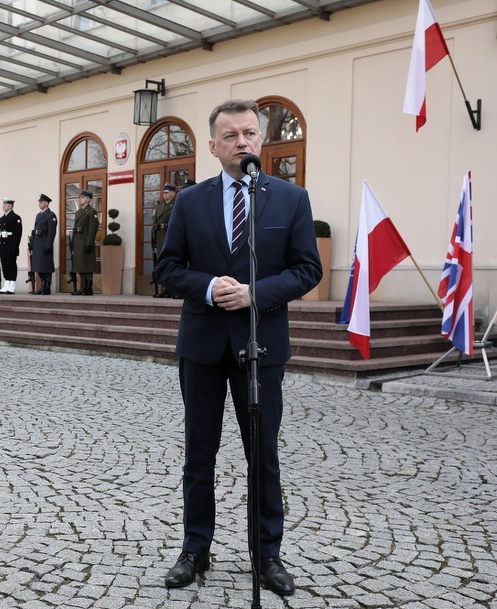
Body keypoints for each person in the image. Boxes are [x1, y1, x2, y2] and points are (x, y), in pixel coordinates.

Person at [155, 100, 321, 598]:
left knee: (262, 455)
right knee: (198, 454)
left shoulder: (291, 199)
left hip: (261, 346)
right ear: (213, 146)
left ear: (261, 140)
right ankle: (195, 549)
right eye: (230, 136)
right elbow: (167, 269)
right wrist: (209, 288)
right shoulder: (189, 201)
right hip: (202, 344)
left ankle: (267, 555)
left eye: (249, 133)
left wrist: (254, 293)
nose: (242, 142)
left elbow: (307, 270)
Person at [150, 184, 177, 298]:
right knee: (163, 264)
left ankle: (174, 289)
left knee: (172, 263)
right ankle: (165, 289)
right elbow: (154, 224)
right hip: (161, 237)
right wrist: (153, 240)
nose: (164, 195)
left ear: (173, 193)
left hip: (171, 236)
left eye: (167, 192)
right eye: (163, 193)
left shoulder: (176, 204)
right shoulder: (159, 207)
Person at [71, 189, 98, 296]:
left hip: (86, 241)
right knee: (80, 265)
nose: (80, 199)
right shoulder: (78, 212)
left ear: (88, 199)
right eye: (80, 197)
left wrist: (89, 243)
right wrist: (73, 242)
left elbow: (93, 228)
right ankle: (83, 287)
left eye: (82, 197)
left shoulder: (92, 211)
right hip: (78, 241)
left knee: (87, 266)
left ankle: (88, 288)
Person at [30, 193, 57, 295]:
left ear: (46, 203)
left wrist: (48, 245)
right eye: (39, 202)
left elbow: (52, 232)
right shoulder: (38, 215)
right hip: (38, 244)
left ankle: (47, 288)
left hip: (45, 244)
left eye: (41, 202)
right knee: (39, 267)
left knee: (46, 267)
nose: (39, 203)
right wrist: (32, 243)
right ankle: (42, 287)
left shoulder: (51, 215)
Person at [0, 197, 23, 294]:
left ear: (11, 205)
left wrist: (14, 247)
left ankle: (12, 285)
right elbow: (0, 233)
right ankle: (6, 284)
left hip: (10, 246)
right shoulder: (2, 219)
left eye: (6, 204)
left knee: (11, 265)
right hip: (3, 246)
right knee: (4, 265)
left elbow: (17, 234)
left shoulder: (16, 218)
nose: (3, 206)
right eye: (3, 204)